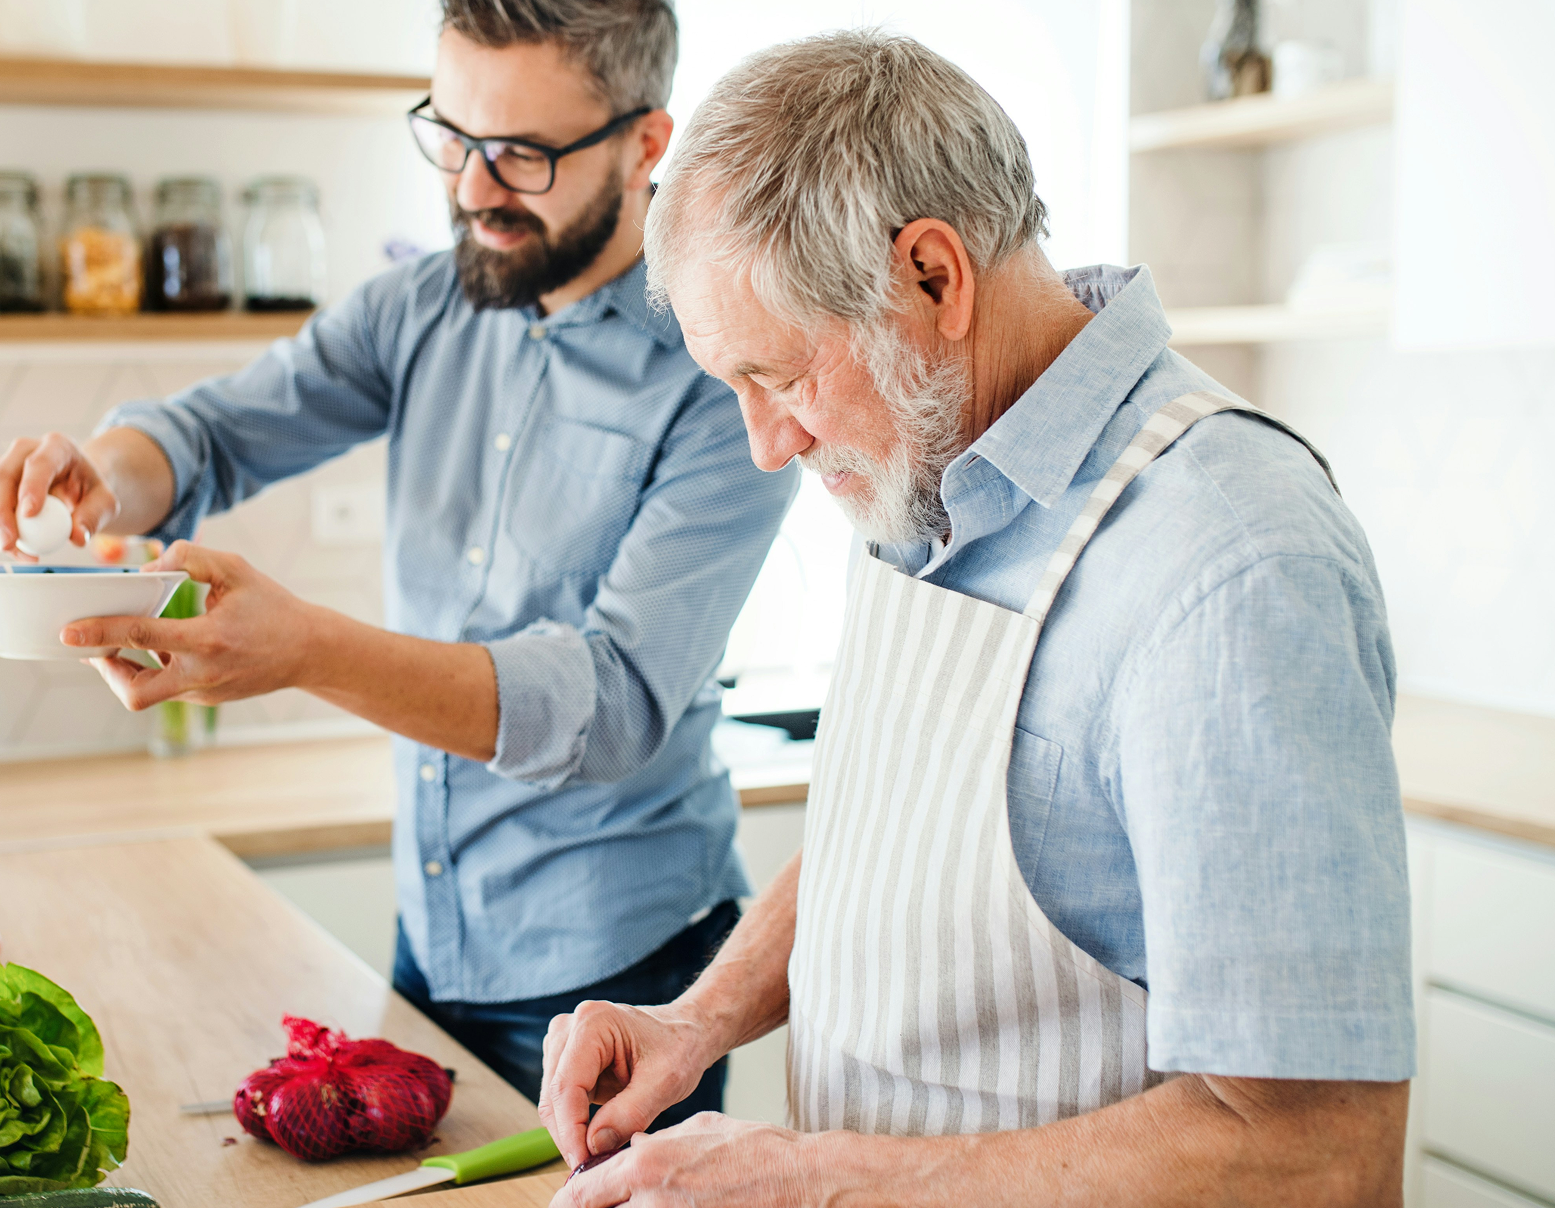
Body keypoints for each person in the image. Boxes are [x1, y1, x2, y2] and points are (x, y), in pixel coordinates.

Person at [539, 31, 1412, 1207]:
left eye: (782, 374)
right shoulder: (928, 456)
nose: (765, 442)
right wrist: (697, 1018)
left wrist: (816, 1179)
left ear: (932, 278)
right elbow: (898, 833)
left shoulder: (1224, 561)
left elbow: (1313, 1151)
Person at [0, 0, 796, 1125]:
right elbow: (215, 431)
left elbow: (609, 702)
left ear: (646, 144)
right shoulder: (426, 301)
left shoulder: (726, 372)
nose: (468, 188)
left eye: (521, 154)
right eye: (451, 136)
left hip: (626, 975)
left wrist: (303, 648)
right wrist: (100, 473)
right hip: (431, 938)